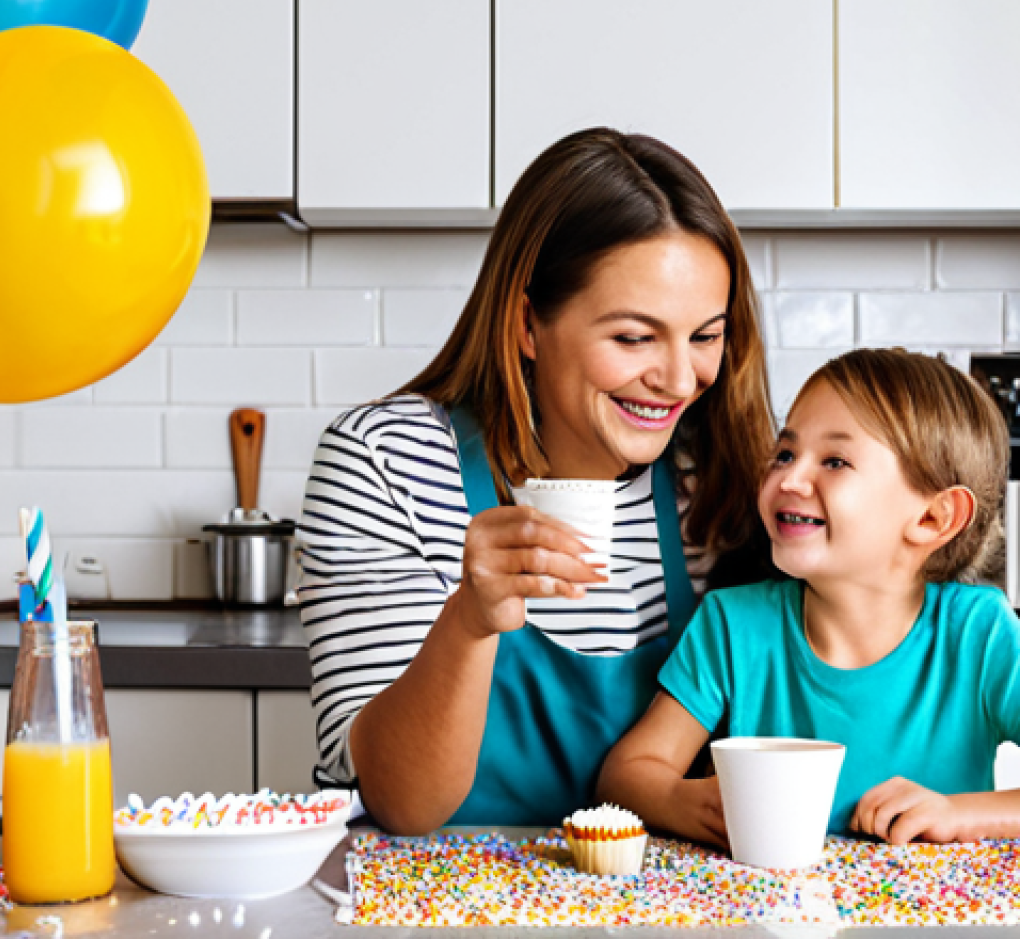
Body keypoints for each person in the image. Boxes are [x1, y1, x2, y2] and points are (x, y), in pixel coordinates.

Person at [297, 127, 774, 835]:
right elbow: (401, 801)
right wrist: (470, 620)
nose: (680, 380)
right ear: (528, 324)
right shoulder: (386, 463)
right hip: (428, 908)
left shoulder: (716, 483)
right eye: (634, 338)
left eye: (705, 336)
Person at [599, 348, 1020, 846]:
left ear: (933, 518)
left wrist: (957, 814)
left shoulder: (978, 633)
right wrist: (681, 800)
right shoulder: (734, 626)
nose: (789, 479)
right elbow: (627, 774)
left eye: (835, 461)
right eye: (785, 454)